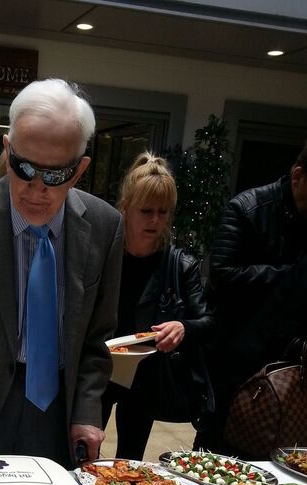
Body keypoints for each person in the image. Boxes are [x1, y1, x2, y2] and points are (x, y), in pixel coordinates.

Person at [0, 78, 123, 467]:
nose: (36, 188)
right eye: (24, 167)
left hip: (59, 414)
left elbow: (98, 340)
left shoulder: (104, 226)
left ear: (79, 170)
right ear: (7, 150)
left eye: (56, 175)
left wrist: (86, 411)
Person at [101, 152, 214, 460]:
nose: (155, 220)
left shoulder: (180, 265)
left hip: (146, 376)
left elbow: (207, 321)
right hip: (99, 368)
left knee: (130, 461)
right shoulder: (103, 255)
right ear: (125, 208)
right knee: (84, 450)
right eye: (146, 211)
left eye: (163, 212)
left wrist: (183, 326)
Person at [198, 142, 307, 453]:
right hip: (235, 360)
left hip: (289, 361)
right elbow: (221, 274)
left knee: (281, 456)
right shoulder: (247, 208)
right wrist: (288, 275)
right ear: (298, 176)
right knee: (216, 455)